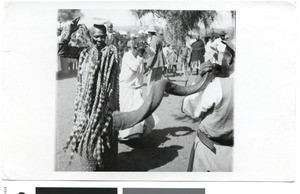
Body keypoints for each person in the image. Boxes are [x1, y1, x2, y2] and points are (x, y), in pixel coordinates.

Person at [61, 18, 120, 171]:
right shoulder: (84, 51)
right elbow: (62, 51)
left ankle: (107, 166)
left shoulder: (111, 51)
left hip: (105, 104)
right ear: (92, 36)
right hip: (86, 106)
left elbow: (98, 62)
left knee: (106, 136)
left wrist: (88, 40)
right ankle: (91, 166)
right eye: (97, 36)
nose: (100, 39)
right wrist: (69, 31)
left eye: (102, 36)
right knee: (87, 137)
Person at [184, 45, 235, 172]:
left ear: (229, 59)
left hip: (210, 155)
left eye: (223, 55)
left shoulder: (218, 86)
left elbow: (190, 108)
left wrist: (200, 79)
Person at [118, 40, 157, 140]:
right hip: (126, 88)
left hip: (136, 89)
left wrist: (146, 47)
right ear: (131, 48)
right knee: (126, 113)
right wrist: (140, 55)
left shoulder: (140, 54)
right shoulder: (127, 56)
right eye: (135, 48)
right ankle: (124, 135)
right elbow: (135, 67)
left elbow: (153, 54)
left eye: (138, 48)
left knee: (140, 111)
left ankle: (135, 134)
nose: (136, 51)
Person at [145, 25, 166, 94]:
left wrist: (148, 64)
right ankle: (157, 94)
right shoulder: (158, 39)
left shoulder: (153, 40)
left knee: (150, 81)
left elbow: (152, 54)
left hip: (154, 64)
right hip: (160, 63)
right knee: (157, 80)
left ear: (150, 33)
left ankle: (150, 96)